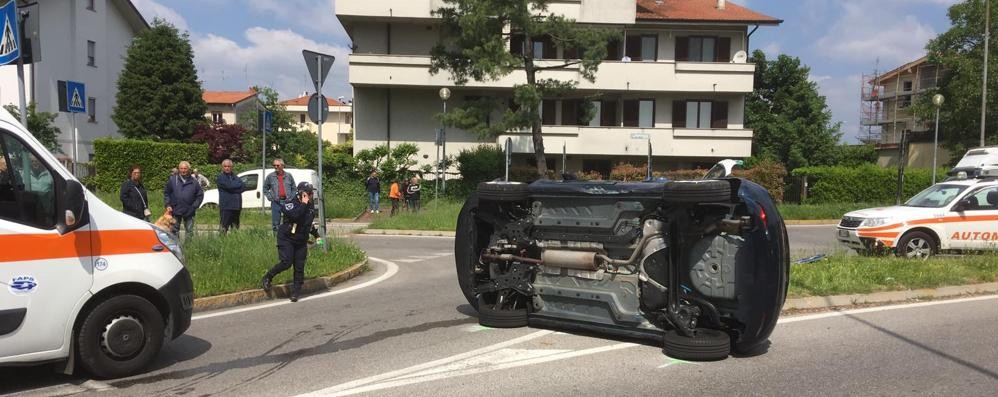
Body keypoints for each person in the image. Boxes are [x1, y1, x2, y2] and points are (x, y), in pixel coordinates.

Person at [261, 181, 319, 302]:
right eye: (308, 193)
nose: (311, 195)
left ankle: (295, 292)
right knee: (286, 262)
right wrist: (303, 203)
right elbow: (295, 216)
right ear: (301, 193)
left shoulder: (310, 206)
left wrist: (317, 236)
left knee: (299, 267)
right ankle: (267, 277)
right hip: (287, 237)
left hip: (301, 240)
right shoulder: (290, 204)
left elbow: (308, 223)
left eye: (311, 192)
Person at [164, 161, 204, 239]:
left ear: (189, 169)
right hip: (175, 209)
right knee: (174, 231)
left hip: (189, 210)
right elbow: (167, 193)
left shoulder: (194, 181)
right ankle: (176, 248)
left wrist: (194, 206)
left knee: (189, 231)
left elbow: (200, 195)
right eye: (181, 168)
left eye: (185, 168)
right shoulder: (172, 180)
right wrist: (168, 204)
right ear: (179, 169)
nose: (183, 170)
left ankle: (188, 248)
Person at [263, 158, 296, 233]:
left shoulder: (289, 176)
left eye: (277, 165)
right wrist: (270, 197)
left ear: (282, 166)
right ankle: (276, 240)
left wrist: (291, 198)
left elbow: (294, 188)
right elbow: (265, 188)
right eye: (274, 165)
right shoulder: (270, 176)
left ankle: (287, 237)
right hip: (276, 202)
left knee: (288, 222)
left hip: (287, 202)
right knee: (275, 223)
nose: (275, 167)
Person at [216, 159, 245, 233]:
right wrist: (236, 187)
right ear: (222, 167)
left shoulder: (235, 177)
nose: (227, 168)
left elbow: (243, 187)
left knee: (235, 228)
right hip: (226, 206)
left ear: (232, 167)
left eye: (229, 166)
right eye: (225, 166)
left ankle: (234, 243)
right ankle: (222, 243)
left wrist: (233, 188)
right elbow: (229, 186)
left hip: (236, 206)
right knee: (224, 228)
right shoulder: (220, 178)